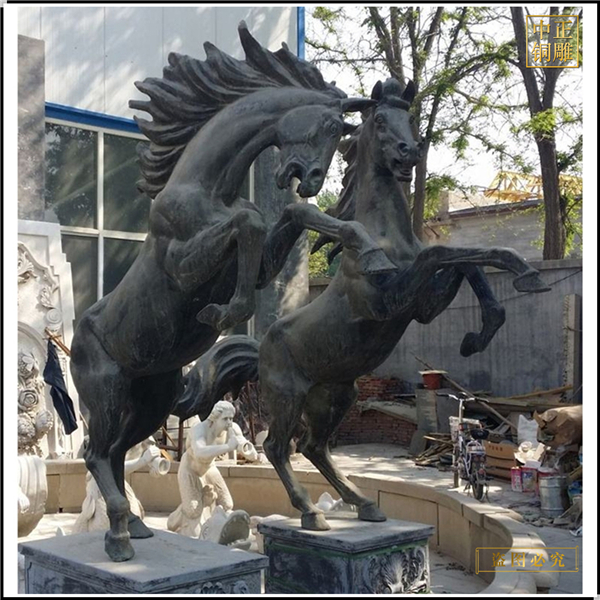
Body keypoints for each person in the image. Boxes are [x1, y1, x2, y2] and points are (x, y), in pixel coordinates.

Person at [167, 400, 262, 540]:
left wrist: (252, 453)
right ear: (214, 418)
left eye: (231, 418)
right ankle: (175, 518)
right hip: (190, 469)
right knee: (193, 511)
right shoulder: (199, 429)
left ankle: (215, 521)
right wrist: (228, 447)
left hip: (209, 467)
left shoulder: (233, 429)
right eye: (225, 419)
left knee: (227, 504)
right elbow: (199, 452)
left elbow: (247, 449)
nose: (229, 423)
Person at [72, 436, 167, 534]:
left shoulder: (144, 434)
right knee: (106, 523)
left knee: (134, 515)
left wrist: (154, 465)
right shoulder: (109, 433)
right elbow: (110, 467)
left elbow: (149, 457)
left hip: (119, 482)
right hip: (102, 483)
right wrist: (142, 461)